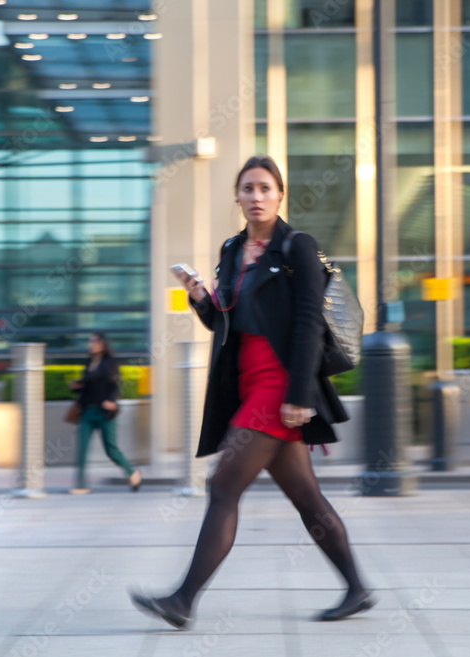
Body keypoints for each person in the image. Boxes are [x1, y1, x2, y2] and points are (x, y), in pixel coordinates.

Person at [130, 155, 374, 630]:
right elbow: (226, 322)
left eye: (265, 188)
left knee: (223, 486)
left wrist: (300, 394)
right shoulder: (231, 249)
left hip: (278, 388)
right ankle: (357, 588)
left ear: (280, 195)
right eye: (247, 189)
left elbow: (307, 323)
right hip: (246, 386)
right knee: (308, 499)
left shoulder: (297, 247)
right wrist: (201, 299)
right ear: (237, 197)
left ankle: (182, 600)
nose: (256, 197)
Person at [69, 332, 141, 494]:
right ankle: (80, 485)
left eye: (94, 342)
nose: (91, 345)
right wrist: (77, 386)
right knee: (82, 448)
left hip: (105, 413)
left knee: (111, 450)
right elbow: (87, 386)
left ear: (102, 344)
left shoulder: (111, 363)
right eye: (90, 342)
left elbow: (115, 386)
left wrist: (111, 400)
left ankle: (132, 473)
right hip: (87, 411)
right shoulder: (88, 363)